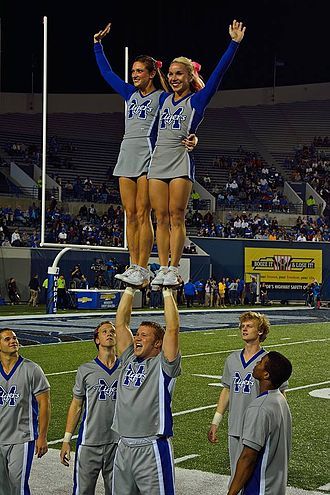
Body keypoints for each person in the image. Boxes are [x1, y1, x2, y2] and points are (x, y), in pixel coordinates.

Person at [94, 23, 197, 288]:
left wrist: (194, 136)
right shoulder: (129, 94)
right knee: (130, 213)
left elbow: (185, 114)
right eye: (133, 71)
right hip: (126, 151)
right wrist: (98, 46)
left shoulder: (164, 97)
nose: (134, 75)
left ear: (152, 74)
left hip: (149, 155)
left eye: (140, 71)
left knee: (144, 212)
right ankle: (134, 265)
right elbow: (107, 73)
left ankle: (143, 265)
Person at [149, 20, 246, 287]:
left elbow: (218, 74)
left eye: (179, 73)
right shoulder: (163, 99)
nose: (173, 78)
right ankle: (161, 264)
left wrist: (234, 43)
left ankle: (173, 267)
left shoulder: (197, 100)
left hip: (180, 160)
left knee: (176, 215)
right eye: (170, 73)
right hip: (158, 160)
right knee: (160, 217)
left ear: (189, 76)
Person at [111, 284, 181, 494]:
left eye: (144, 335)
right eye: (137, 334)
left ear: (158, 343)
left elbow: (172, 329)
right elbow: (120, 323)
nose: (137, 338)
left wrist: (167, 291)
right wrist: (130, 289)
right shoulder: (128, 359)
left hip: (151, 447)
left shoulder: (164, 364)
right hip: (123, 445)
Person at [207, 311, 288, 477]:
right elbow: (227, 390)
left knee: (255, 475)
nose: (244, 329)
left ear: (260, 331)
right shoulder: (232, 359)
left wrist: (281, 425)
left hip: (259, 425)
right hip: (235, 424)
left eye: (249, 326)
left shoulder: (268, 361)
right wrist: (216, 421)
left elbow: (280, 394)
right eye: (242, 326)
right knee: (236, 473)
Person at [60, 321, 120, 494]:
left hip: (119, 442)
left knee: (119, 490)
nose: (109, 334)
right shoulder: (85, 370)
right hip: (89, 442)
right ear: (97, 340)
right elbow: (76, 405)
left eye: (112, 331)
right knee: (83, 491)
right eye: (104, 332)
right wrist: (66, 440)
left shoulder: (126, 368)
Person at [227, 351, 293, 495]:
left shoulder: (259, 407)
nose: (256, 364)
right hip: (276, 487)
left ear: (266, 375)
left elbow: (248, 457)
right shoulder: (280, 401)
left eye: (261, 362)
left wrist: (231, 493)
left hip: (260, 488)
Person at [0, 328, 51, 494]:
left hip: (22, 438)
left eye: (14, 338)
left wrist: (42, 437)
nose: (13, 341)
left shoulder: (32, 369)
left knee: (18, 486)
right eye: (7, 339)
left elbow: (44, 404)